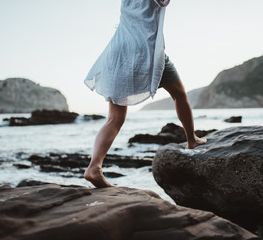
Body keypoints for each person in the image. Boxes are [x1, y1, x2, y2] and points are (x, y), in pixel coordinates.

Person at [84, 0, 207, 188]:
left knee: (114, 119)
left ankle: (94, 167)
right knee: (179, 95)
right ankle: (191, 139)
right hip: (145, 50)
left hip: (119, 50)